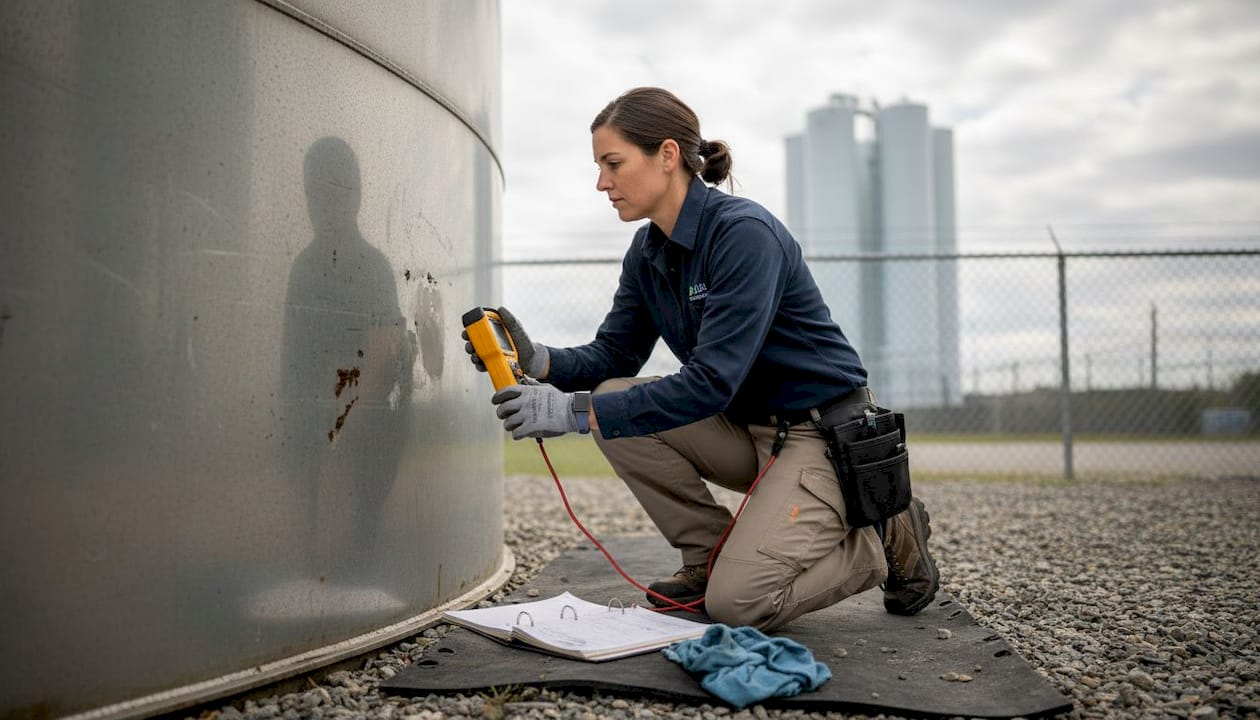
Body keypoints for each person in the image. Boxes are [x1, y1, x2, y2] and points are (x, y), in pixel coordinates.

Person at [469, 87, 938, 632]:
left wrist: (570, 413)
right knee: (613, 399)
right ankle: (708, 557)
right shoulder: (648, 252)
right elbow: (615, 354)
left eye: (613, 163)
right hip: (750, 430)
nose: (602, 182)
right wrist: (537, 359)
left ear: (667, 156)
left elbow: (711, 381)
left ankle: (881, 537)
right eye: (600, 167)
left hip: (823, 439)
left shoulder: (743, 234)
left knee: (737, 605)